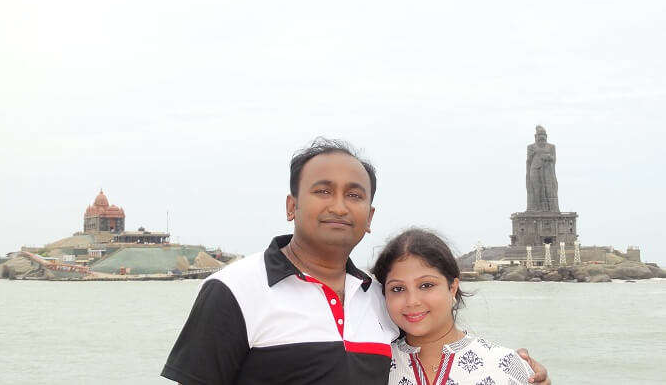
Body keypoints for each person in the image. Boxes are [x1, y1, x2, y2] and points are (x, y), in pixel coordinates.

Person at [161, 138, 550, 384]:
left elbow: (435, 343)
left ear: (369, 216)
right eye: (322, 191)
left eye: (354, 195)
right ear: (291, 206)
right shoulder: (234, 290)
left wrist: (518, 374)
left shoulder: (379, 298)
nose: (338, 206)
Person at [373, 228, 538, 385]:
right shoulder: (371, 367)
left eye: (426, 285)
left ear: (452, 287)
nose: (412, 301)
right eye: (398, 289)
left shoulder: (505, 365)